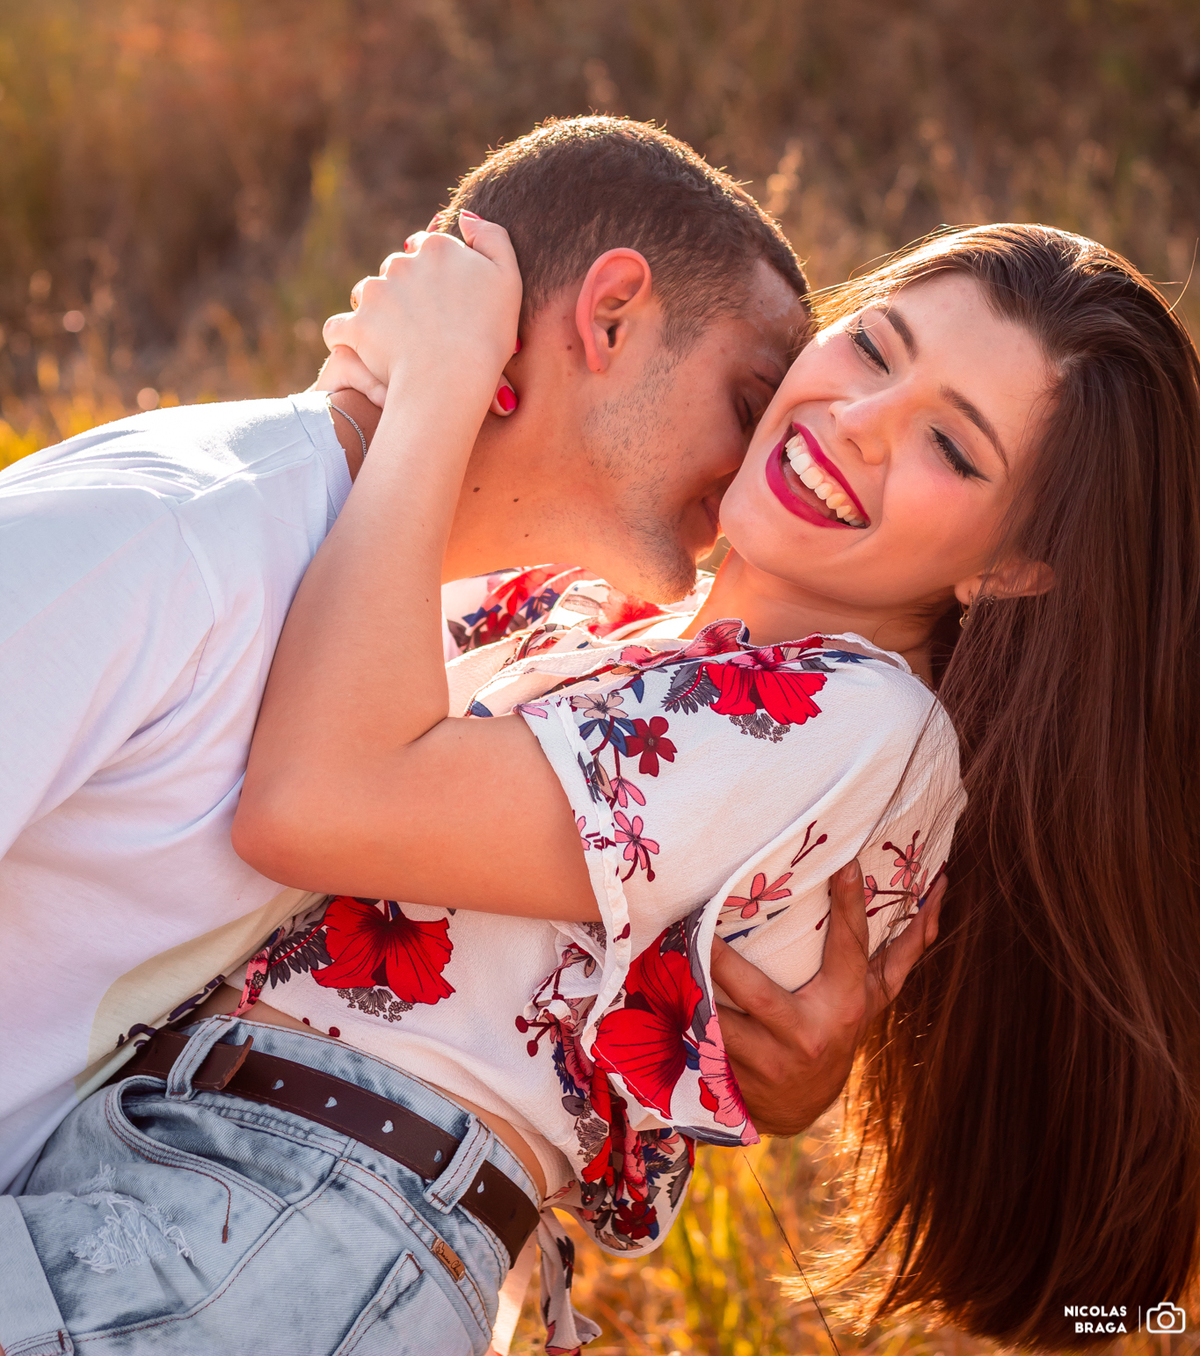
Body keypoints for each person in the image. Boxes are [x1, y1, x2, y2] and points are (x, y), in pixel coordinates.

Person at [12, 215, 1190, 1355]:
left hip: (293, 1215)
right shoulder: (606, 608)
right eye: (876, 346)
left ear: (1017, 561)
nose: (866, 420)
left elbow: (314, 803)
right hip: (182, 1166)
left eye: (953, 446)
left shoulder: (859, 719)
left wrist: (444, 380)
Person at [0, 114, 857, 1205]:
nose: (753, 480)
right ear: (609, 316)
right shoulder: (173, 537)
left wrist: (785, 1073)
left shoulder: (455, 648)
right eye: (749, 404)